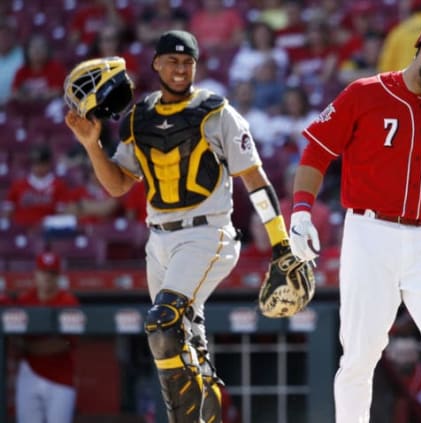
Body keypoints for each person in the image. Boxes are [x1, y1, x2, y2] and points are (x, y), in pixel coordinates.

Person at [63, 30, 296, 423]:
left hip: (208, 233)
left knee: (162, 320)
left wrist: (281, 245)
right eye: (172, 61)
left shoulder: (217, 111)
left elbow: (256, 181)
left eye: (187, 61)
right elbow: (118, 184)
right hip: (159, 240)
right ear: (156, 64)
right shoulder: (137, 118)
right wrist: (91, 145)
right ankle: (206, 403)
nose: (180, 68)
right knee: (180, 343)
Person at [288, 15, 421, 422]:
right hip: (369, 231)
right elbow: (317, 152)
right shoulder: (365, 93)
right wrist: (302, 210)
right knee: (361, 353)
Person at [14, 251, 80, 423]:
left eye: (51, 273)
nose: (46, 278)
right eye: (43, 272)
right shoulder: (25, 300)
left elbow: (66, 343)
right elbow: (14, 338)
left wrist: (29, 347)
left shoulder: (68, 301)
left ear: (58, 276)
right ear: (36, 274)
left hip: (60, 377)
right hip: (30, 374)